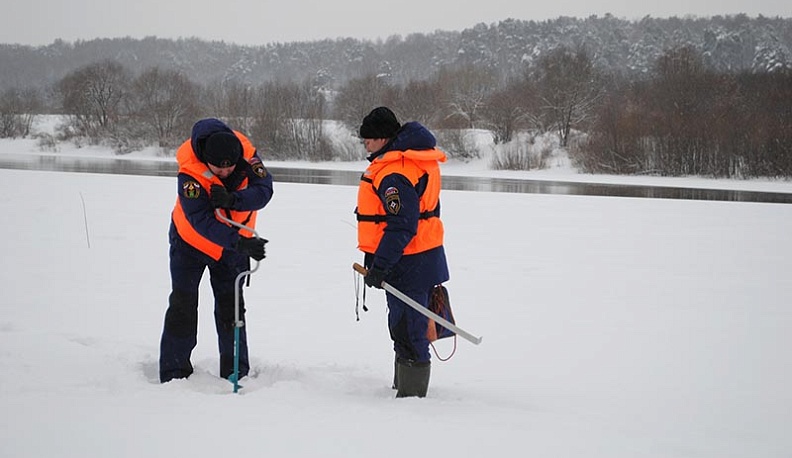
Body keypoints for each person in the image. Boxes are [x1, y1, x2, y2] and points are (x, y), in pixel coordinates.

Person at [159, 118, 274, 383]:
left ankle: (236, 371)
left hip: (231, 250)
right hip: (189, 244)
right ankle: (174, 372)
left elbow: (264, 190)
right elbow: (201, 221)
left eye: (230, 167)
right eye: (217, 168)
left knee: (231, 309)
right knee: (182, 304)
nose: (224, 172)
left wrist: (234, 199)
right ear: (205, 159)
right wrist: (239, 242)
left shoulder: (246, 153)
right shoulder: (190, 173)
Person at [355, 107, 450, 398]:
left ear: (384, 138)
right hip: (420, 256)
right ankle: (404, 385)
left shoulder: (395, 173)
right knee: (404, 324)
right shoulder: (411, 161)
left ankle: (412, 396)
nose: (366, 145)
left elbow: (401, 226)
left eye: (369, 139)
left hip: (408, 261)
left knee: (408, 327)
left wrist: (380, 266)